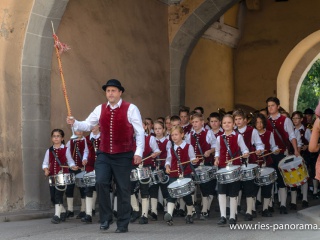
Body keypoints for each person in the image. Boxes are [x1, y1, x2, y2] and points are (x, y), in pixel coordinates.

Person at [67, 79, 145, 233]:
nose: (110, 93)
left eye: (113, 90)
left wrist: (138, 152)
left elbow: (139, 132)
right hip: (104, 154)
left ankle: (123, 223)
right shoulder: (100, 109)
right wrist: (75, 122)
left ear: (120, 92)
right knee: (101, 182)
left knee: (123, 188)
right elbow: (88, 125)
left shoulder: (131, 108)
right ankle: (105, 218)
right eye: (108, 91)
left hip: (123, 154)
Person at [265, 97, 299, 214]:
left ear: (278, 106)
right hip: (269, 154)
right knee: (269, 179)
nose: (270, 108)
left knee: (281, 179)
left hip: (281, 154)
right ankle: (268, 205)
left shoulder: (286, 120)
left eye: (272, 105)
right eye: (268, 106)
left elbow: (291, 136)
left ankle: (283, 204)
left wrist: (295, 150)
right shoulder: (265, 121)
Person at [214, 114, 249, 226]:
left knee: (234, 192)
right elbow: (217, 151)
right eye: (224, 123)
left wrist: (245, 154)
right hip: (223, 168)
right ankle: (223, 216)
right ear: (221, 124)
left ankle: (233, 216)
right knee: (222, 191)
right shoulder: (219, 138)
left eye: (229, 122)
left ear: (233, 124)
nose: (227, 124)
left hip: (235, 168)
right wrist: (216, 159)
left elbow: (244, 149)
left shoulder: (238, 136)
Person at [233, 109, 264, 221]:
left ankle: (249, 211)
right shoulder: (232, 132)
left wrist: (259, 150)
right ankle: (234, 210)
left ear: (245, 120)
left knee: (249, 187)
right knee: (236, 187)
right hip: (236, 164)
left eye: (240, 119)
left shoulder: (252, 131)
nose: (238, 121)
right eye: (236, 119)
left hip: (249, 163)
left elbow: (259, 144)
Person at [164, 126, 199, 226]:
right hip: (174, 174)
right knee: (171, 194)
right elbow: (168, 160)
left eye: (176, 134)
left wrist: (194, 160)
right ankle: (169, 215)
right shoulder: (171, 149)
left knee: (187, 195)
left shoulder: (188, 146)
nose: (174, 137)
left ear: (182, 135)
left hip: (186, 174)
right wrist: (167, 166)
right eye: (172, 135)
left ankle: (189, 213)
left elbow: (192, 158)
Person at [42, 129, 78, 224]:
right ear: (52, 138)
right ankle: (63, 212)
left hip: (62, 176)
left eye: (58, 136)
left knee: (59, 195)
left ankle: (56, 216)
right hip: (52, 176)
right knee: (53, 197)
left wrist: (73, 166)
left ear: (62, 138)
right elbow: (45, 163)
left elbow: (70, 161)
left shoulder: (65, 149)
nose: (56, 138)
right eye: (54, 136)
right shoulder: (49, 151)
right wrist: (46, 170)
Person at [186, 113, 216, 220]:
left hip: (205, 164)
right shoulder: (189, 135)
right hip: (194, 165)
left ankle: (205, 210)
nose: (194, 124)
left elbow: (215, 146)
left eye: (196, 121)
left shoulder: (209, 133)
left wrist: (209, 151)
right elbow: (187, 148)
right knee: (192, 187)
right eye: (193, 122)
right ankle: (193, 209)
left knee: (204, 187)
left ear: (202, 122)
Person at [252, 114, 279, 217]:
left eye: (261, 122)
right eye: (257, 122)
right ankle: (252, 209)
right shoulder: (252, 133)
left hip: (266, 163)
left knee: (267, 186)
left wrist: (275, 150)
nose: (259, 124)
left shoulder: (269, 133)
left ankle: (265, 209)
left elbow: (273, 146)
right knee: (253, 187)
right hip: (254, 164)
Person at [65, 131, 89, 219]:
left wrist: (84, 160)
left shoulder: (86, 141)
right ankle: (70, 210)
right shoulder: (70, 141)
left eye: (80, 130)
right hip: (72, 168)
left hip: (82, 168)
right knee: (69, 188)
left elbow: (87, 152)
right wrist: (71, 165)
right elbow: (67, 154)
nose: (78, 132)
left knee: (82, 188)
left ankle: (83, 210)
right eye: (77, 130)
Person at [82, 124, 101, 223]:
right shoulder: (87, 138)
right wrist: (84, 158)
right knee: (88, 188)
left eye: (95, 125)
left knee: (102, 188)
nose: (93, 127)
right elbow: (86, 151)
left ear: (99, 125)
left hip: (102, 165)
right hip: (90, 165)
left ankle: (103, 214)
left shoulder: (104, 136)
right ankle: (88, 214)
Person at [291, 111, 310, 208]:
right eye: (293, 118)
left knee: (304, 177)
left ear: (301, 119)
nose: (295, 120)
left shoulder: (306, 130)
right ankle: (293, 201)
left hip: (303, 156)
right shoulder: (291, 130)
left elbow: (312, 143)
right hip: (292, 157)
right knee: (293, 177)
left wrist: (307, 146)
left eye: (297, 118)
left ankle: (305, 199)